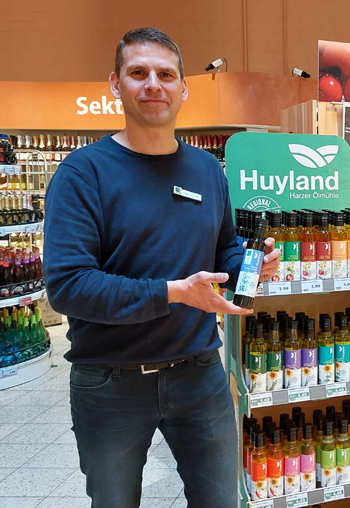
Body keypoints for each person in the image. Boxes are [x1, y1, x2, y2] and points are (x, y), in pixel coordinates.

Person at [42, 27, 279, 508]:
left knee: (220, 501)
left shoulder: (208, 171)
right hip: (109, 380)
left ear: (183, 87)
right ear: (116, 83)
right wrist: (173, 292)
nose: (154, 84)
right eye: (138, 73)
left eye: (166, 74)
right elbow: (67, 286)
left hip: (198, 373)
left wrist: (252, 265)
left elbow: (223, 253)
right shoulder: (82, 173)